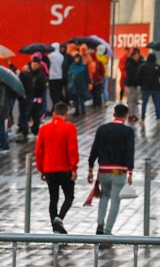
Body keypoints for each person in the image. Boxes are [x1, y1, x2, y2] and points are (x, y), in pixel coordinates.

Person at [88, 104, 135, 235]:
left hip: (103, 170)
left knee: (104, 196)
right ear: (125, 116)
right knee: (115, 201)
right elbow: (130, 153)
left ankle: (100, 224)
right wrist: (130, 172)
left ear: (114, 114)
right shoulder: (128, 132)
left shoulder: (102, 129)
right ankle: (107, 231)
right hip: (119, 171)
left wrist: (90, 167)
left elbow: (94, 149)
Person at [35, 101, 79, 234]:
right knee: (69, 197)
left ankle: (55, 228)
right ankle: (59, 219)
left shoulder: (44, 128)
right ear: (66, 114)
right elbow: (72, 149)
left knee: (53, 198)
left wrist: (40, 168)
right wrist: (74, 168)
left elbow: (38, 151)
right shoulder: (70, 128)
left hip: (49, 168)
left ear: (54, 113)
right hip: (64, 168)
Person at [18, 59, 46, 140]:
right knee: (28, 113)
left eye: (36, 64)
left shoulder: (41, 74)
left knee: (36, 114)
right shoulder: (29, 74)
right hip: (30, 96)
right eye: (33, 64)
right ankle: (26, 129)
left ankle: (35, 130)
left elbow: (43, 86)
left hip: (37, 97)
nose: (35, 66)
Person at [124, 48, 143, 122]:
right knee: (132, 100)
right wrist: (136, 83)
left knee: (134, 100)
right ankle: (131, 114)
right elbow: (132, 75)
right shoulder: (131, 64)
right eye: (137, 55)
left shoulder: (134, 63)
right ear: (134, 56)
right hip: (132, 84)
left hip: (134, 84)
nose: (138, 57)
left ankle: (133, 114)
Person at [139, 53, 160, 120]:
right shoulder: (157, 66)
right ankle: (158, 117)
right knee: (157, 103)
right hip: (156, 88)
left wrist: (141, 84)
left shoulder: (143, 66)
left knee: (144, 103)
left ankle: (143, 117)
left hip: (145, 88)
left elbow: (139, 76)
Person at [46, 42, 66, 111]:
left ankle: (55, 108)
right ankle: (57, 107)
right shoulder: (61, 56)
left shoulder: (50, 56)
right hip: (59, 76)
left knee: (53, 94)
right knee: (58, 92)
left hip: (52, 77)